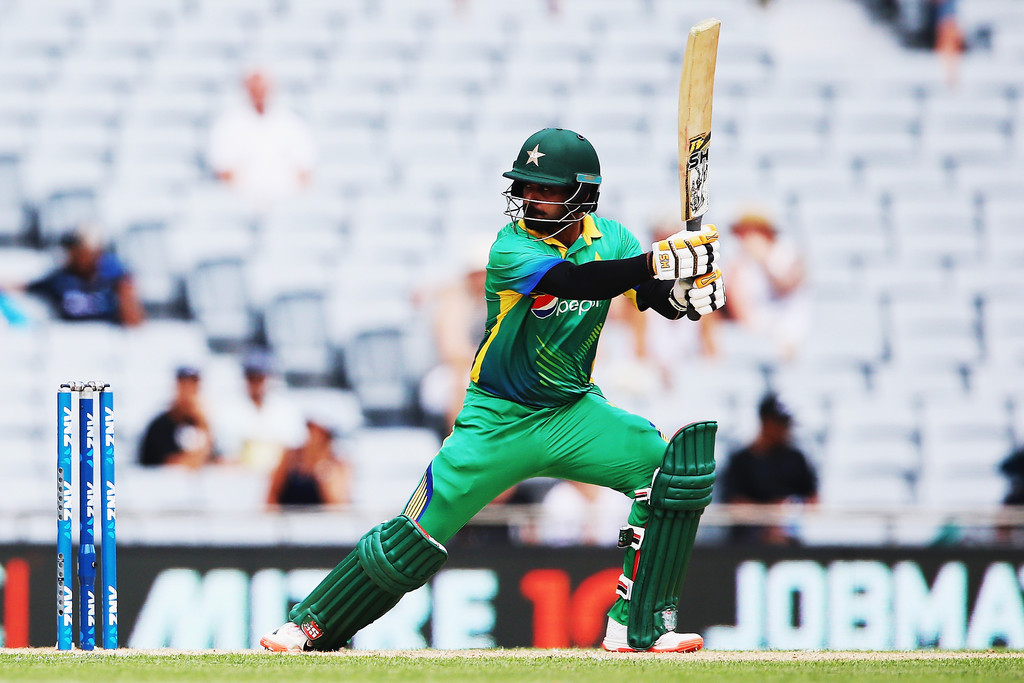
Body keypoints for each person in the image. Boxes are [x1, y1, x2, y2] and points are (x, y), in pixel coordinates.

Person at [259, 127, 726, 654]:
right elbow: (576, 282)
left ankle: (639, 626)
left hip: (573, 410)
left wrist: (688, 295)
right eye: (527, 187)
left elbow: (650, 295)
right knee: (412, 538)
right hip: (498, 418)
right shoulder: (511, 247)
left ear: (584, 195)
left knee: (671, 474)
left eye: (547, 189)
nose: (532, 199)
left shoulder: (614, 239)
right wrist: (660, 261)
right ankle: (311, 624)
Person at [705, 208, 808, 362]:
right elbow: (729, 299)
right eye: (741, 233)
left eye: (748, 232)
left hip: (784, 334)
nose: (743, 239)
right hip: (747, 332)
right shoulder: (739, 260)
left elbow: (789, 285)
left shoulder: (785, 252)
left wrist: (763, 260)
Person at [207, 68, 316, 209]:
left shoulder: (292, 123)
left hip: (286, 203)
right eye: (254, 87)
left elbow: (305, 169)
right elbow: (223, 170)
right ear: (245, 89)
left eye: (263, 87)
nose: (259, 92)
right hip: (242, 204)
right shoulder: (228, 125)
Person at [720, 393, 818, 545]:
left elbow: (812, 499)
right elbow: (734, 503)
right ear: (766, 421)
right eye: (780, 423)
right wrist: (768, 516)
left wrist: (790, 509)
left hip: (790, 538)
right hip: (748, 542)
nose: (786, 429)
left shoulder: (796, 458)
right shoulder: (741, 460)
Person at [11, 228, 144, 326]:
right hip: (72, 339)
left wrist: (125, 294)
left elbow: (134, 322)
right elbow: (24, 287)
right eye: (71, 250)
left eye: (80, 250)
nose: (74, 255)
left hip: (107, 338)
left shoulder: (114, 278)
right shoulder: (59, 280)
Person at [213, 351, 306, 473]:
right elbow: (226, 453)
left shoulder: (285, 409)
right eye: (251, 378)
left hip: (278, 474)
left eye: (260, 378)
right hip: (241, 474)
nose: (256, 384)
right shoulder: (229, 409)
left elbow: (293, 447)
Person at [267, 409, 353, 507]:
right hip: (289, 515)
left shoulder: (338, 463)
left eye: (318, 433)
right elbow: (272, 495)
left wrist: (324, 473)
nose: (313, 436)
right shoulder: (290, 457)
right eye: (310, 429)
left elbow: (337, 504)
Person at [138, 366, 214, 469]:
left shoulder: (198, 423)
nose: (188, 393)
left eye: (193, 387)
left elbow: (212, 458)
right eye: (184, 386)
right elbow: (175, 464)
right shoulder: (160, 425)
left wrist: (203, 424)